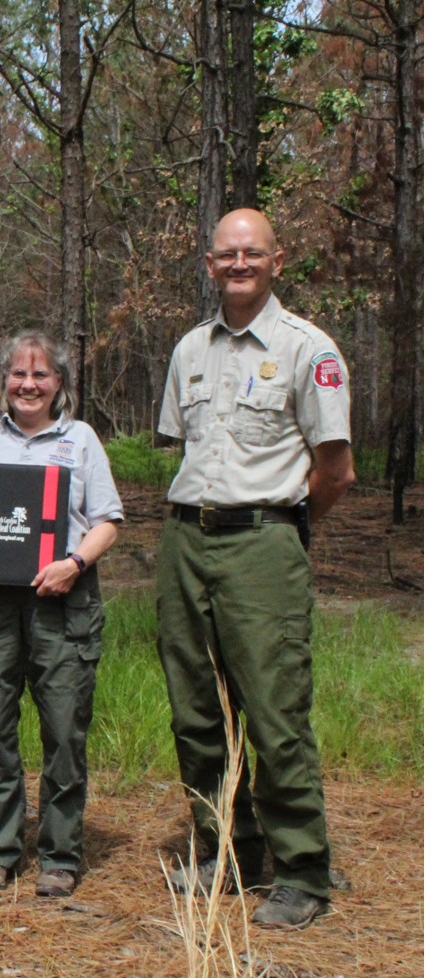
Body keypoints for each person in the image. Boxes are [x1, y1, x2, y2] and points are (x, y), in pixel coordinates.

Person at [157, 208, 355, 930]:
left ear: (276, 261)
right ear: (208, 265)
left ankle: (301, 866)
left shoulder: (308, 350)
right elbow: (183, 449)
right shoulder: (189, 350)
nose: (237, 264)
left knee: (273, 713)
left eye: (252, 253)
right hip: (186, 541)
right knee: (196, 710)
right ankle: (226, 850)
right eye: (225, 255)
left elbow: (334, 469)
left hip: (263, 542)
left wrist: (283, 529)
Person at [0, 332, 122, 898]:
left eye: (41, 375)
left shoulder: (82, 440)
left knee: (64, 731)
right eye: (18, 374)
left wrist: (74, 563)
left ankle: (60, 854)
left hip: (63, 603)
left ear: (59, 383)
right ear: (3, 380)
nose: (28, 384)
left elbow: (108, 520)